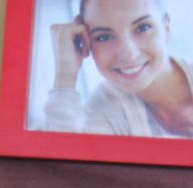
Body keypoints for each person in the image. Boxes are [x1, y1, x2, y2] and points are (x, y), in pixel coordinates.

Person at [43, 0, 193, 136]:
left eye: (143, 27)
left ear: (166, 27)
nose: (129, 55)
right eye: (104, 37)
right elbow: (59, 158)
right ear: (86, 41)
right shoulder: (105, 108)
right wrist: (65, 75)